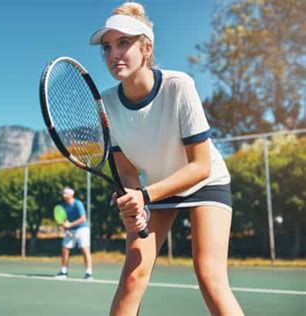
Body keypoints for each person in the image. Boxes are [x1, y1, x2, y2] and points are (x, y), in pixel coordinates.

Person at [88, 2, 244, 315]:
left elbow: (199, 165)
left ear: (146, 48)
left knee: (209, 275)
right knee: (132, 278)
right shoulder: (105, 104)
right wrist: (135, 202)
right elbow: (126, 168)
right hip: (156, 188)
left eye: (123, 43)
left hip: (205, 181)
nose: (113, 54)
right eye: (107, 47)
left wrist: (144, 196)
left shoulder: (178, 85)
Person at [55, 187, 93, 280]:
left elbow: (83, 218)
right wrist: (67, 229)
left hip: (82, 229)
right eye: (63, 193)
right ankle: (64, 271)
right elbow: (64, 221)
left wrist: (70, 225)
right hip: (71, 230)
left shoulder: (78, 203)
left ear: (72, 194)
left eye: (65, 193)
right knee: (65, 248)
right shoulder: (63, 206)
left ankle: (89, 272)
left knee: (85, 249)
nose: (63, 195)